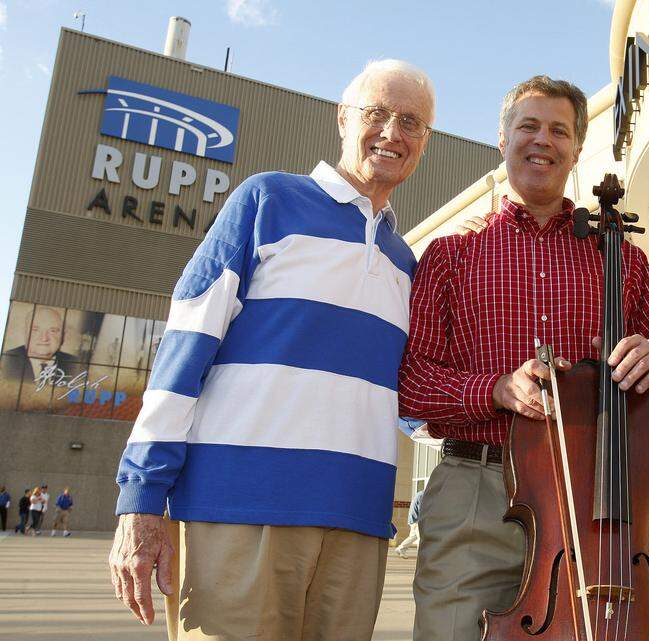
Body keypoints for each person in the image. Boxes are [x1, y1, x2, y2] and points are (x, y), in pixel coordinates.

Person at [108, 59, 433, 640]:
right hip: (238, 510)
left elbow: (410, 402)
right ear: (342, 118)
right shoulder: (267, 201)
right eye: (376, 113)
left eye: (410, 121)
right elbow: (184, 348)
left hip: (357, 524)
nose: (392, 132)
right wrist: (141, 495)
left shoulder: (404, 263)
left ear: (424, 141)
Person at [398, 75, 649, 641]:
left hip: (595, 500)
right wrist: (494, 390)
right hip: (475, 492)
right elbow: (413, 384)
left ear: (577, 150)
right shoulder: (450, 254)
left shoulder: (624, 261)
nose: (543, 140)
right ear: (503, 139)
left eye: (559, 130)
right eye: (528, 126)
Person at [1, 306, 80, 382]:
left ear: (63, 336)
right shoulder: (6, 360)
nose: (44, 338)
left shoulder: (77, 365)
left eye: (53, 331)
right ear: (25, 332)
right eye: (35, 330)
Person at [395, 489, 424, 558]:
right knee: (421, 538)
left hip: (413, 519)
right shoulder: (422, 495)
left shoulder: (419, 494)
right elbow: (420, 510)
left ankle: (400, 549)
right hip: (416, 520)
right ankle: (421, 556)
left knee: (413, 537)